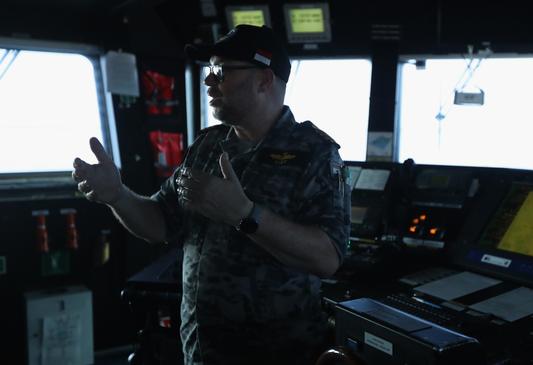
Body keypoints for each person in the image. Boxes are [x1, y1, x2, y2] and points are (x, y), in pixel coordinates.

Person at [72, 24, 351, 364]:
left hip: (277, 353)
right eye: (209, 70)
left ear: (264, 80)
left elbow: (328, 259)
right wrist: (117, 195)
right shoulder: (207, 145)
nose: (208, 81)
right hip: (200, 351)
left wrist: (246, 215)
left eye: (221, 71)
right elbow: (161, 223)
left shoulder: (317, 154)